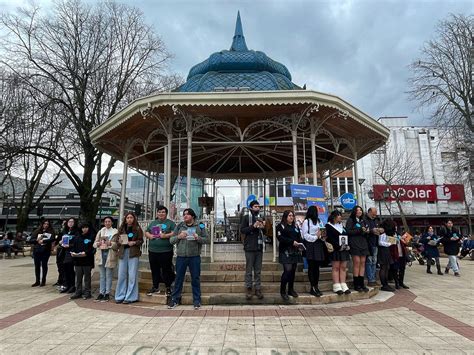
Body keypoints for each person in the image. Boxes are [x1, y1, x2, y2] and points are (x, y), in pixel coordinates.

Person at [168, 208, 208, 310]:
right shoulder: (180, 226)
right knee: (178, 278)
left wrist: (197, 238)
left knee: (195, 278)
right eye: (184, 214)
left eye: (187, 214)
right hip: (181, 256)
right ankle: (175, 299)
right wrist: (179, 236)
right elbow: (171, 240)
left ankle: (197, 301)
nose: (185, 216)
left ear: (193, 216)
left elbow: (207, 239)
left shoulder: (200, 225)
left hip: (194, 256)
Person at [145, 206, 176, 297]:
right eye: (159, 212)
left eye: (163, 212)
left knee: (166, 269)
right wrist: (149, 235)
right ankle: (155, 286)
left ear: (166, 214)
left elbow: (175, 232)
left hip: (166, 250)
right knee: (154, 269)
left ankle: (168, 287)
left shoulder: (170, 223)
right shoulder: (153, 223)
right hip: (153, 250)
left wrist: (166, 235)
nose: (161, 214)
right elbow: (146, 231)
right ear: (157, 213)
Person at [113, 212, 143, 304]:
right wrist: (119, 241)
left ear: (134, 219)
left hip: (133, 253)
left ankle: (131, 297)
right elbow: (117, 242)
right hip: (123, 253)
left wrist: (134, 243)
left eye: (131, 217)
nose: (129, 219)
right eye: (127, 218)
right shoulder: (121, 229)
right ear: (125, 219)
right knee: (121, 275)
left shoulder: (137, 228)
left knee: (132, 275)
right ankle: (120, 296)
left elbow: (141, 241)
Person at [240, 200, 265, 300]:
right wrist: (253, 226)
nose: (257, 208)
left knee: (258, 270)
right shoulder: (246, 217)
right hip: (249, 246)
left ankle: (258, 288)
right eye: (255, 206)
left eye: (258, 206)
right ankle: (249, 288)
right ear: (251, 208)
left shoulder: (261, 217)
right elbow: (242, 230)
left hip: (259, 246)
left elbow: (266, 232)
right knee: (249, 270)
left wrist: (263, 227)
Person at [276, 210, 303, 301]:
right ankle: (282, 291)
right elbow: (280, 237)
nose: (291, 217)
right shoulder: (280, 226)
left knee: (293, 271)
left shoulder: (296, 226)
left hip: (295, 251)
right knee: (287, 270)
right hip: (285, 251)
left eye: (292, 215)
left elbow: (299, 236)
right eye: (289, 215)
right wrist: (291, 242)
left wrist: (300, 244)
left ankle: (290, 289)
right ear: (285, 216)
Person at [301, 205, 325, 297]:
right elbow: (305, 235)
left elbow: (322, 231)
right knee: (311, 266)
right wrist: (315, 236)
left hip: (318, 244)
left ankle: (316, 286)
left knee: (317, 267)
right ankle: (312, 287)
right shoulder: (306, 222)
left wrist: (323, 235)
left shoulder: (319, 221)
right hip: (311, 245)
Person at [325, 210, 351, 295]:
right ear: (334, 216)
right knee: (336, 267)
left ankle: (343, 284)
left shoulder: (342, 226)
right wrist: (338, 246)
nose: (340, 217)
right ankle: (336, 285)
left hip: (344, 249)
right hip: (336, 250)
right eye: (338, 215)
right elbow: (330, 238)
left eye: (340, 215)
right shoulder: (328, 226)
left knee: (343, 267)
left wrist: (347, 245)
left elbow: (346, 236)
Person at [93, 216, 118, 302]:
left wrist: (111, 243)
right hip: (101, 253)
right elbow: (94, 244)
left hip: (110, 254)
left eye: (109, 221)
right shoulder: (101, 231)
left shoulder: (115, 232)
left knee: (109, 275)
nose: (107, 223)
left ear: (112, 222)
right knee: (102, 275)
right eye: (106, 221)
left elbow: (117, 245)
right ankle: (101, 292)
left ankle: (107, 293)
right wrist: (98, 243)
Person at [345, 205, 370, 292]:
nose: (359, 211)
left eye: (361, 210)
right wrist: (359, 230)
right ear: (354, 211)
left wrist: (366, 231)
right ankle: (357, 284)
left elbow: (366, 231)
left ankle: (362, 283)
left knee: (363, 263)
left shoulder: (363, 220)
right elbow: (348, 231)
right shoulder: (351, 220)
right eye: (358, 210)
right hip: (354, 243)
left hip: (363, 243)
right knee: (357, 263)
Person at [69, 222, 95, 300]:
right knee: (78, 277)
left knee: (87, 278)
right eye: (83, 228)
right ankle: (78, 292)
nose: (84, 229)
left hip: (87, 260)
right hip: (78, 260)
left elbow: (93, 249)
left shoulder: (92, 237)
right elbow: (73, 247)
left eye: (86, 227)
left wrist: (86, 253)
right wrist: (73, 253)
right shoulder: (77, 237)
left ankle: (87, 292)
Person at [30, 219, 55, 287]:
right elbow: (31, 240)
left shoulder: (51, 231)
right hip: (37, 250)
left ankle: (43, 280)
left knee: (44, 265)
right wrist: (37, 240)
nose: (46, 225)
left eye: (47, 224)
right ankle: (37, 281)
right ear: (42, 224)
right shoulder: (37, 231)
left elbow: (52, 239)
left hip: (45, 250)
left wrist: (44, 241)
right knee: (37, 266)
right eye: (45, 224)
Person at [59, 218, 79, 294]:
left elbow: (77, 242)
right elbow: (60, 241)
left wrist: (69, 245)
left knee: (70, 269)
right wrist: (61, 243)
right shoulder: (65, 231)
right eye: (69, 222)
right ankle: (66, 285)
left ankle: (72, 286)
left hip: (71, 252)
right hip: (64, 252)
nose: (70, 223)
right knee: (65, 269)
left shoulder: (76, 232)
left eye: (72, 222)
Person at [364, 207, 383, 286]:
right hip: (368, 243)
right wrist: (372, 231)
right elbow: (365, 230)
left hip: (375, 243)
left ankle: (373, 279)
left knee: (374, 262)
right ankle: (370, 279)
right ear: (370, 212)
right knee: (369, 261)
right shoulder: (364, 220)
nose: (376, 213)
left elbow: (379, 229)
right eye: (374, 212)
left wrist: (380, 230)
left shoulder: (376, 220)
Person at [377, 220, 396, 292]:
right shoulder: (382, 232)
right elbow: (380, 242)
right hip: (383, 250)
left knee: (386, 267)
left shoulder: (387, 232)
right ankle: (384, 284)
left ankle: (386, 283)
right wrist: (388, 244)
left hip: (386, 250)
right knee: (383, 267)